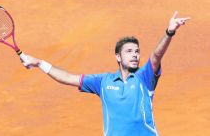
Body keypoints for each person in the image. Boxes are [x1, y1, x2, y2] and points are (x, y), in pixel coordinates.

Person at [20, 11, 190, 136]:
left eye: (137, 51)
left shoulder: (144, 78)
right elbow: (67, 78)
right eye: (129, 51)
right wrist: (39, 63)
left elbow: (156, 56)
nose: (135, 55)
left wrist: (169, 32)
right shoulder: (103, 81)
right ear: (118, 56)